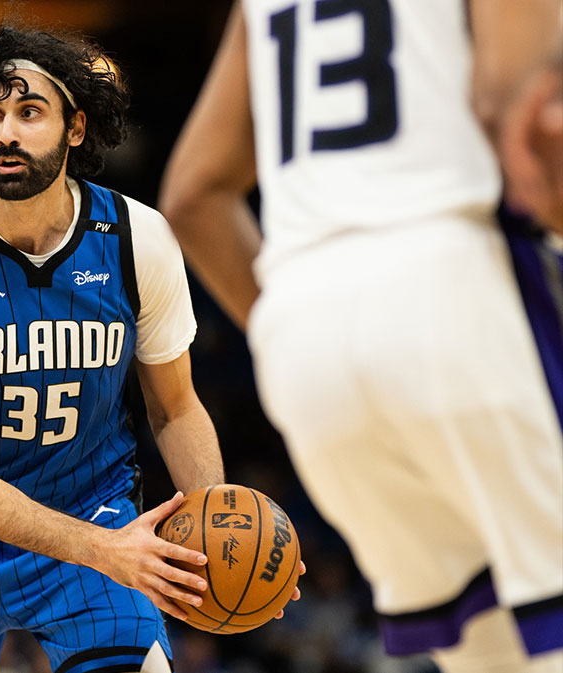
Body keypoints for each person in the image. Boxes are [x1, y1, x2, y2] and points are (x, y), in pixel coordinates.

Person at [160, 1, 563, 671]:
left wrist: (313, 326)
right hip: (454, 282)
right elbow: (514, 107)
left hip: (304, 335)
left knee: (494, 655)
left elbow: (192, 196)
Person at [0, 25, 229, 673]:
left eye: (29, 111)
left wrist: (223, 534)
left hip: (94, 514)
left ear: (75, 127)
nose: (7, 132)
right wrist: (100, 549)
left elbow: (175, 408)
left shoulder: (137, 239)